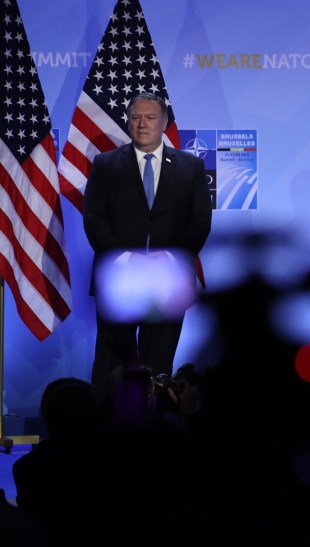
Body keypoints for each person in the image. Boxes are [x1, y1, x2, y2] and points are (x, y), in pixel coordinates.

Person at [83, 91, 212, 392]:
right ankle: (104, 433)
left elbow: (199, 222)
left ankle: (157, 432)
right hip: (119, 278)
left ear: (164, 122)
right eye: (136, 117)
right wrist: (129, 258)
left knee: (159, 367)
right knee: (110, 367)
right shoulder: (106, 164)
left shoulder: (190, 166)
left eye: (150, 117)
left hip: (168, 280)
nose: (142, 124)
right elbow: (94, 218)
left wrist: (167, 257)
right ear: (128, 122)